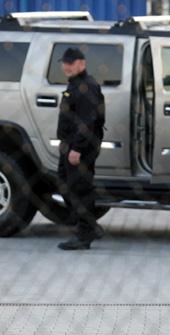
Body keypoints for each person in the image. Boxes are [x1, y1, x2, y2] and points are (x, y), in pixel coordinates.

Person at [56, 47, 106, 250]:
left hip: (81, 147)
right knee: (65, 184)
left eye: (71, 62)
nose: (66, 66)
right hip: (70, 145)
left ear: (82, 63)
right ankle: (90, 225)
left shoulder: (87, 86)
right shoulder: (75, 85)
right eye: (65, 62)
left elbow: (88, 121)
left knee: (80, 189)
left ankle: (84, 235)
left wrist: (77, 148)